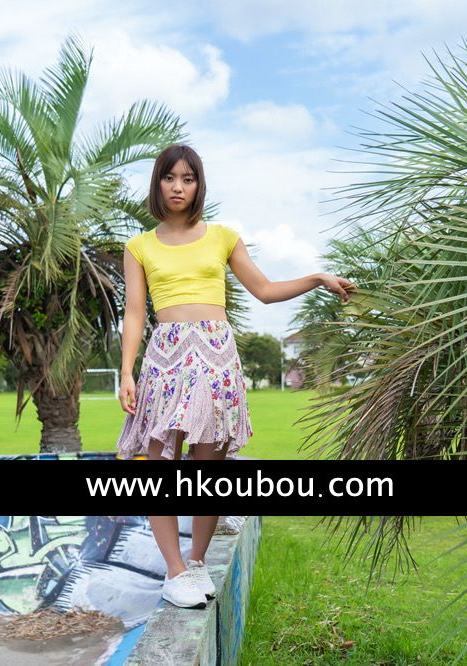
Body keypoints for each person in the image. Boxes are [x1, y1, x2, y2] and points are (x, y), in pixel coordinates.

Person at [115, 144, 355, 609]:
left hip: (217, 357)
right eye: (170, 178)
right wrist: (127, 371)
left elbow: (264, 290)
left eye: (188, 179)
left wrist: (317, 278)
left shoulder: (223, 237)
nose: (178, 187)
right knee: (159, 462)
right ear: (158, 183)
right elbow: (135, 312)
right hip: (166, 358)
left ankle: (196, 562)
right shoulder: (139, 246)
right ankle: (174, 571)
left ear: (199, 185)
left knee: (210, 464)